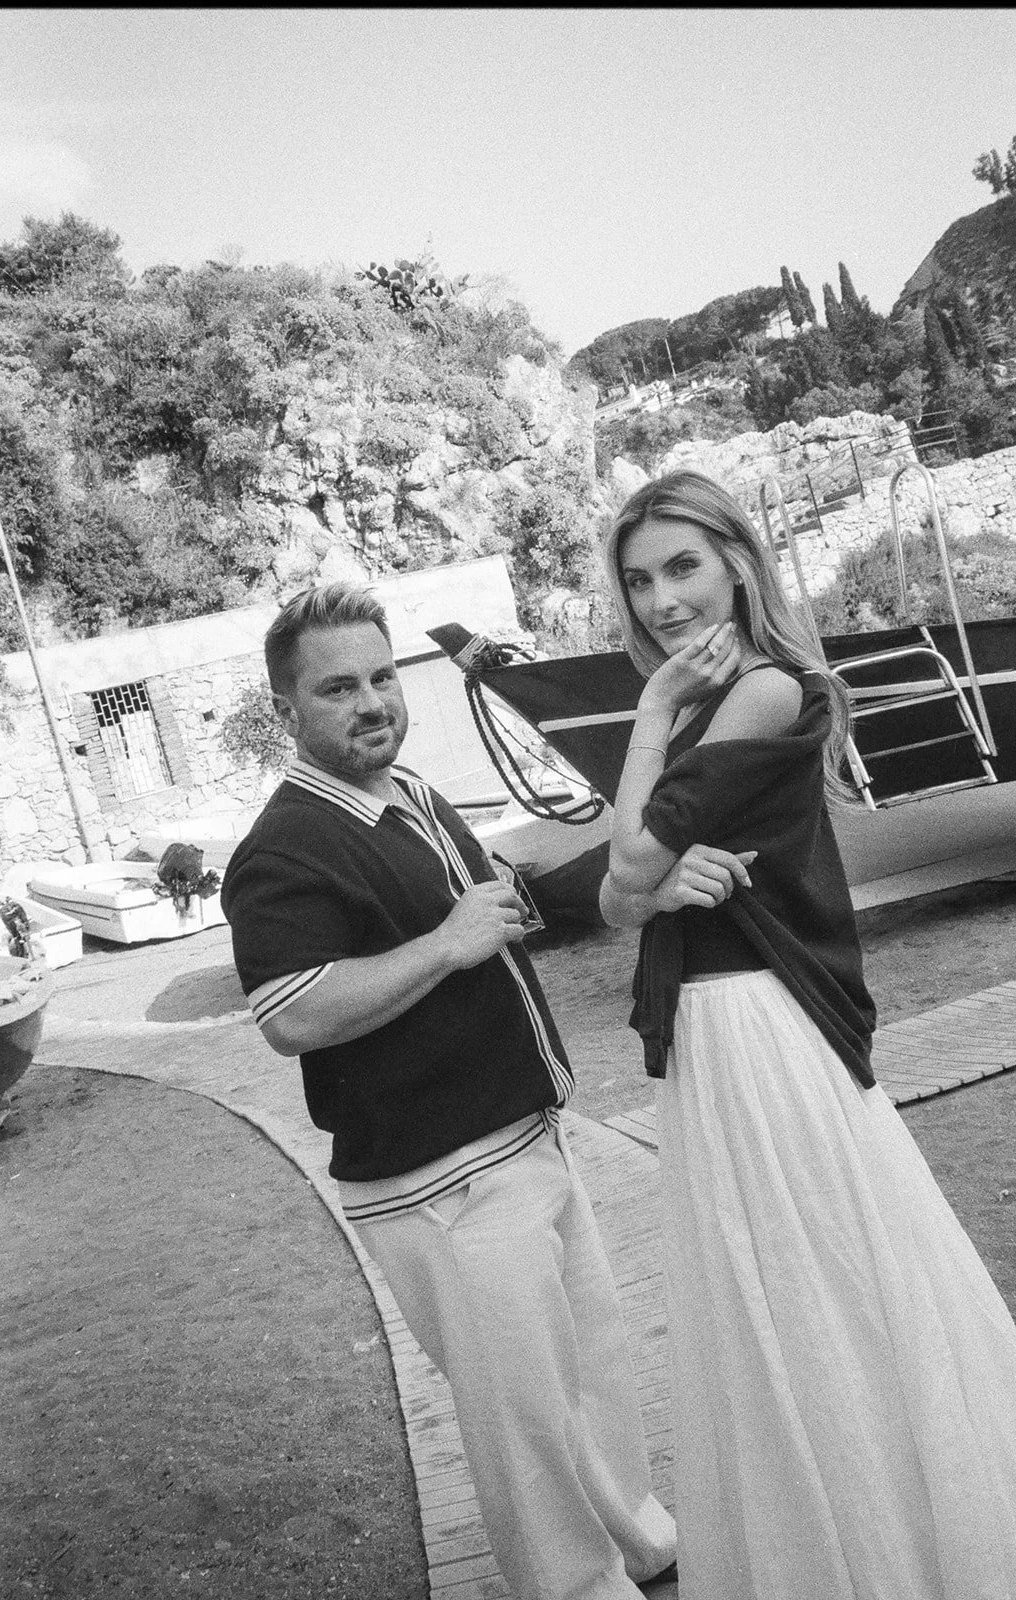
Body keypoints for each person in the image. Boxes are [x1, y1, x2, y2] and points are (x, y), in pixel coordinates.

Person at [599, 469, 1016, 1600]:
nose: (660, 600)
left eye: (682, 566)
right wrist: (645, 869)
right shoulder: (705, 702)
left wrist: (644, 733)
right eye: (639, 579)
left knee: (810, 1285)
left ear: (739, 562)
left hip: (755, 1021)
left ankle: (885, 1548)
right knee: (768, 1295)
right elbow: (618, 897)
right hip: (709, 1028)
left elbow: (628, 863)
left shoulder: (761, 691)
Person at [220, 583, 678, 1600]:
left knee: (589, 1371)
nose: (371, 700)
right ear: (287, 710)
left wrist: (630, 866)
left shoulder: (414, 796)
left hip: (524, 1138)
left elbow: (493, 913)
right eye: (337, 688)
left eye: (382, 676)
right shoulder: (280, 848)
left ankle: (641, 1544)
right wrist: (445, 942)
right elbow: (290, 1012)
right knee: (520, 1417)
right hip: (442, 1182)